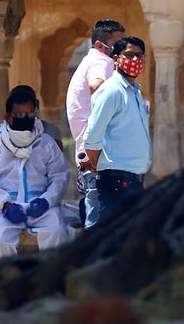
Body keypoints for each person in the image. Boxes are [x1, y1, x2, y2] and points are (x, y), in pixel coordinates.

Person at [0, 85, 75, 261]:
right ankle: (7, 285)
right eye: (20, 116)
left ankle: (49, 284)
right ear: (8, 117)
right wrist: (5, 205)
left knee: (57, 234)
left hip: (41, 207)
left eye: (29, 115)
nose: (25, 119)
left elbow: (59, 176)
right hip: (5, 210)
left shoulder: (47, 144)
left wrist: (47, 200)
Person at [83, 36, 151, 224]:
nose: (135, 60)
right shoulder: (112, 90)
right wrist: (96, 165)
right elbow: (93, 134)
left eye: (139, 56)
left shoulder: (135, 92)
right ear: (115, 59)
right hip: (115, 179)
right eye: (129, 55)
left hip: (132, 178)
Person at [66, 19, 125, 229]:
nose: (123, 49)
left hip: (95, 153)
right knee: (100, 222)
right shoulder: (101, 62)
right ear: (101, 45)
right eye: (118, 44)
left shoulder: (91, 61)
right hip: (99, 156)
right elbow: (96, 85)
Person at [0, 85, 63, 151]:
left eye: (29, 113)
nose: (24, 118)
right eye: (19, 114)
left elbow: (58, 159)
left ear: (36, 106)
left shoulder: (50, 132)